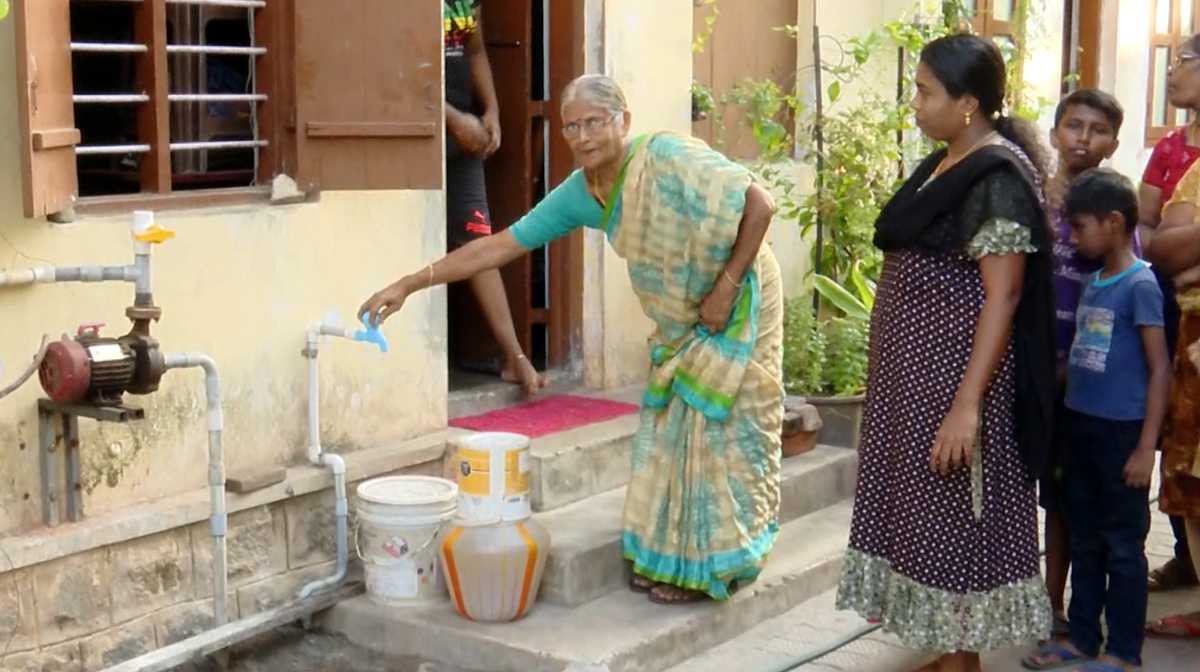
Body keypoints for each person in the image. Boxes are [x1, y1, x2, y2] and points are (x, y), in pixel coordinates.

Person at [361, 74, 784, 604]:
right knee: (673, 433)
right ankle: (675, 562)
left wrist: (723, 288)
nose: (583, 136)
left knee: (727, 435)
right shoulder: (582, 193)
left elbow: (760, 205)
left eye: (594, 122)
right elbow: (496, 248)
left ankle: (727, 562)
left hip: (740, 299)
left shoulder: (669, 159)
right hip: (686, 325)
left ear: (623, 121)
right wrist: (408, 283)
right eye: (571, 126)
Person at [834, 34, 1056, 672]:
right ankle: (947, 652)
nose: (914, 103)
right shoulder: (947, 159)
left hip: (953, 381)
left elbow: (1004, 295)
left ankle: (963, 662)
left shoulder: (996, 176)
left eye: (925, 90)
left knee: (955, 522)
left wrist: (966, 406)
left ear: (967, 102)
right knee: (923, 517)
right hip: (913, 381)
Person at [1024, 169, 1169, 672]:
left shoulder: (1140, 284)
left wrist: (1145, 447)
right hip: (1081, 428)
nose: (1074, 238)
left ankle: (1124, 652)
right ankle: (1083, 639)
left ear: (1112, 223)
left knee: (1122, 547)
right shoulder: (1099, 281)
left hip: (1120, 433)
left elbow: (1159, 368)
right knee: (1084, 537)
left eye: (1080, 228)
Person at [1039, 89, 1125, 640]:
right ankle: (1031, 596)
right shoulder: (1030, 199)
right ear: (1054, 134)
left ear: (1113, 143)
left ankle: (1061, 604)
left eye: (1097, 130)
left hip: (1079, 380)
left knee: (1068, 499)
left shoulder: (1115, 209)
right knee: (1031, 489)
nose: (1083, 139)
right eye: (1073, 126)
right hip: (1027, 365)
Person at [443, 0, 545, 396]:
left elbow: (475, 50)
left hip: (462, 140)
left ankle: (514, 358)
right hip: (424, 131)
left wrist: (492, 112)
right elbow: (394, 77)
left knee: (478, 239)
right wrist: (455, 121)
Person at [1139, 34, 1200, 603]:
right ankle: (1185, 556)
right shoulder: (1171, 152)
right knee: (1178, 444)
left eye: (1184, 61)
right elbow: (1153, 235)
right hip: (1177, 307)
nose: (1172, 71)